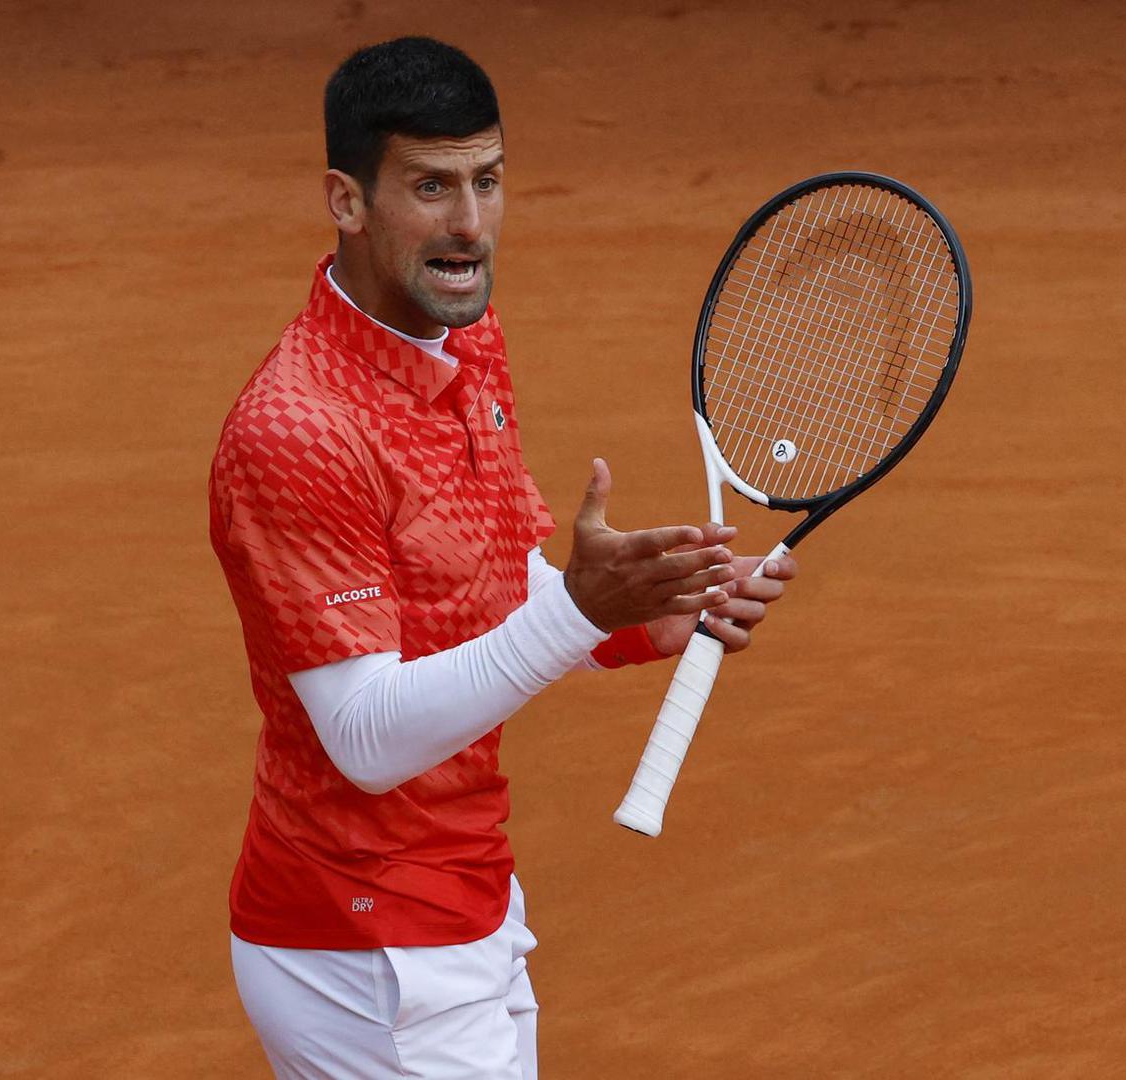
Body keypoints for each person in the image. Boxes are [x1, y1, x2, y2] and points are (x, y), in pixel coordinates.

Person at [208, 36, 796, 1080]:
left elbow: (474, 593)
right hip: (365, 944)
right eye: (430, 187)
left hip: (460, 899)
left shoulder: (467, 343)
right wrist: (577, 611)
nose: (469, 226)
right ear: (346, 201)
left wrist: (639, 616)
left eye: (487, 181)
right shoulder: (295, 431)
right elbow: (366, 737)